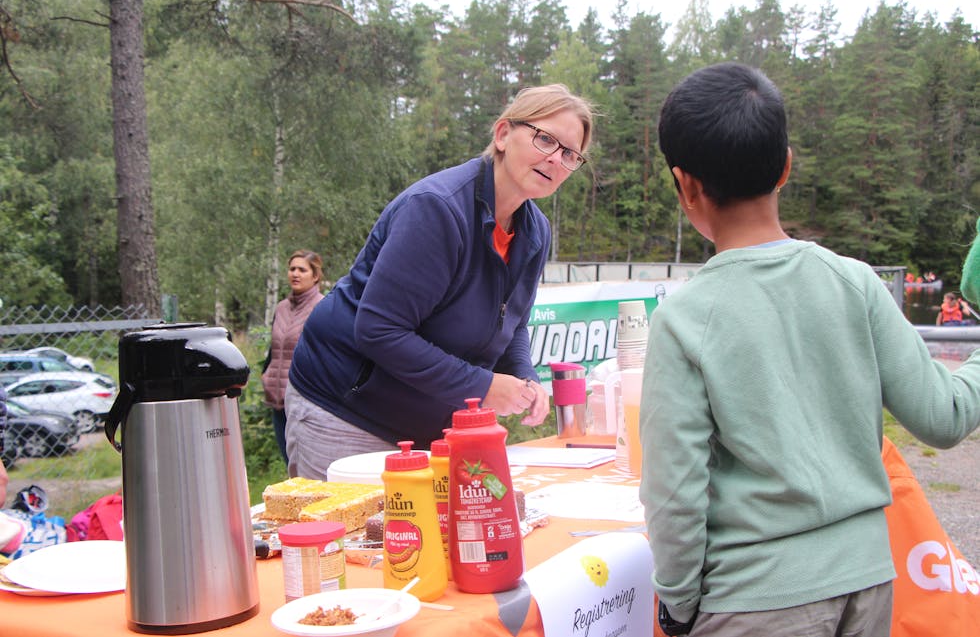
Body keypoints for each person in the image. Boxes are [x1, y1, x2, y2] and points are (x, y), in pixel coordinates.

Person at [641, 61, 980, 637]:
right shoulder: (856, 282)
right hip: (868, 586)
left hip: (754, 598)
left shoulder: (684, 318)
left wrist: (677, 602)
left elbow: (674, 492)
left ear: (686, 185)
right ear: (786, 166)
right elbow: (944, 416)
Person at [286, 84, 595, 479]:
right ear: (503, 134)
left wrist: (524, 378)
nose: (555, 159)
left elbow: (513, 324)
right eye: (545, 139)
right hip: (346, 411)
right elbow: (379, 330)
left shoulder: (535, 232)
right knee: (353, 523)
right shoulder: (438, 209)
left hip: (430, 428)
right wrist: (483, 386)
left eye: (570, 154)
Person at [261, 249, 325, 465]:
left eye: (302, 270)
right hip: (278, 398)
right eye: (292, 269)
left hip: (305, 398)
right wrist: (265, 375)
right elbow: (275, 348)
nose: (295, 274)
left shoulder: (322, 307)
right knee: (288, 461)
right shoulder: (281, 308)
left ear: (315, 276)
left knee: (307, 464)